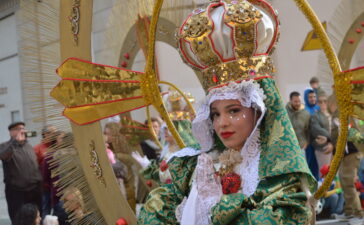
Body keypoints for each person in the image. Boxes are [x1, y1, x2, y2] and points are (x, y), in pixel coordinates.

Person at [138, 1, 316, 224]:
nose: (222, 123)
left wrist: (220, 208)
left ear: (258, 111)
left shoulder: (278, 174)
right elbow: (155, 211)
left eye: (233, 111)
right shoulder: (198, 166)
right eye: (215, 114)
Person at [0, 122, 43, 222]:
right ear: (11, 132)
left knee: (37, 217)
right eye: (19, 129)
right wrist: (15, 142)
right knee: (18, 218)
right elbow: (3, 155)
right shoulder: (5, 146)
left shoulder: (28, 146)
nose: (23, 131)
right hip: (17, 191)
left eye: (23, 128)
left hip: (35, 189)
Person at [104, 122, 136, 211]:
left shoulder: (123, 142)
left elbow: (132, 159)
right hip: (115, 181)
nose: (106, 136)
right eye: (105, 133)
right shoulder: (106, 145)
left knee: (130, 203)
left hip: (127, 178)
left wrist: (116, 155)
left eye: (108, 134)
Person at [310, 95, 334, 177]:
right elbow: (316, 130)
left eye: (325, 101)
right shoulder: (315, 116)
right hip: (323, 147)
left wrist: (332, 141)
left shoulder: (332, 114)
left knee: (336, 172)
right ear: (317, 103)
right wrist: (331, 139)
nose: (323, 103)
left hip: (335, 146)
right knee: (325, 172)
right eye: (320, 102)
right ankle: (325, 189)